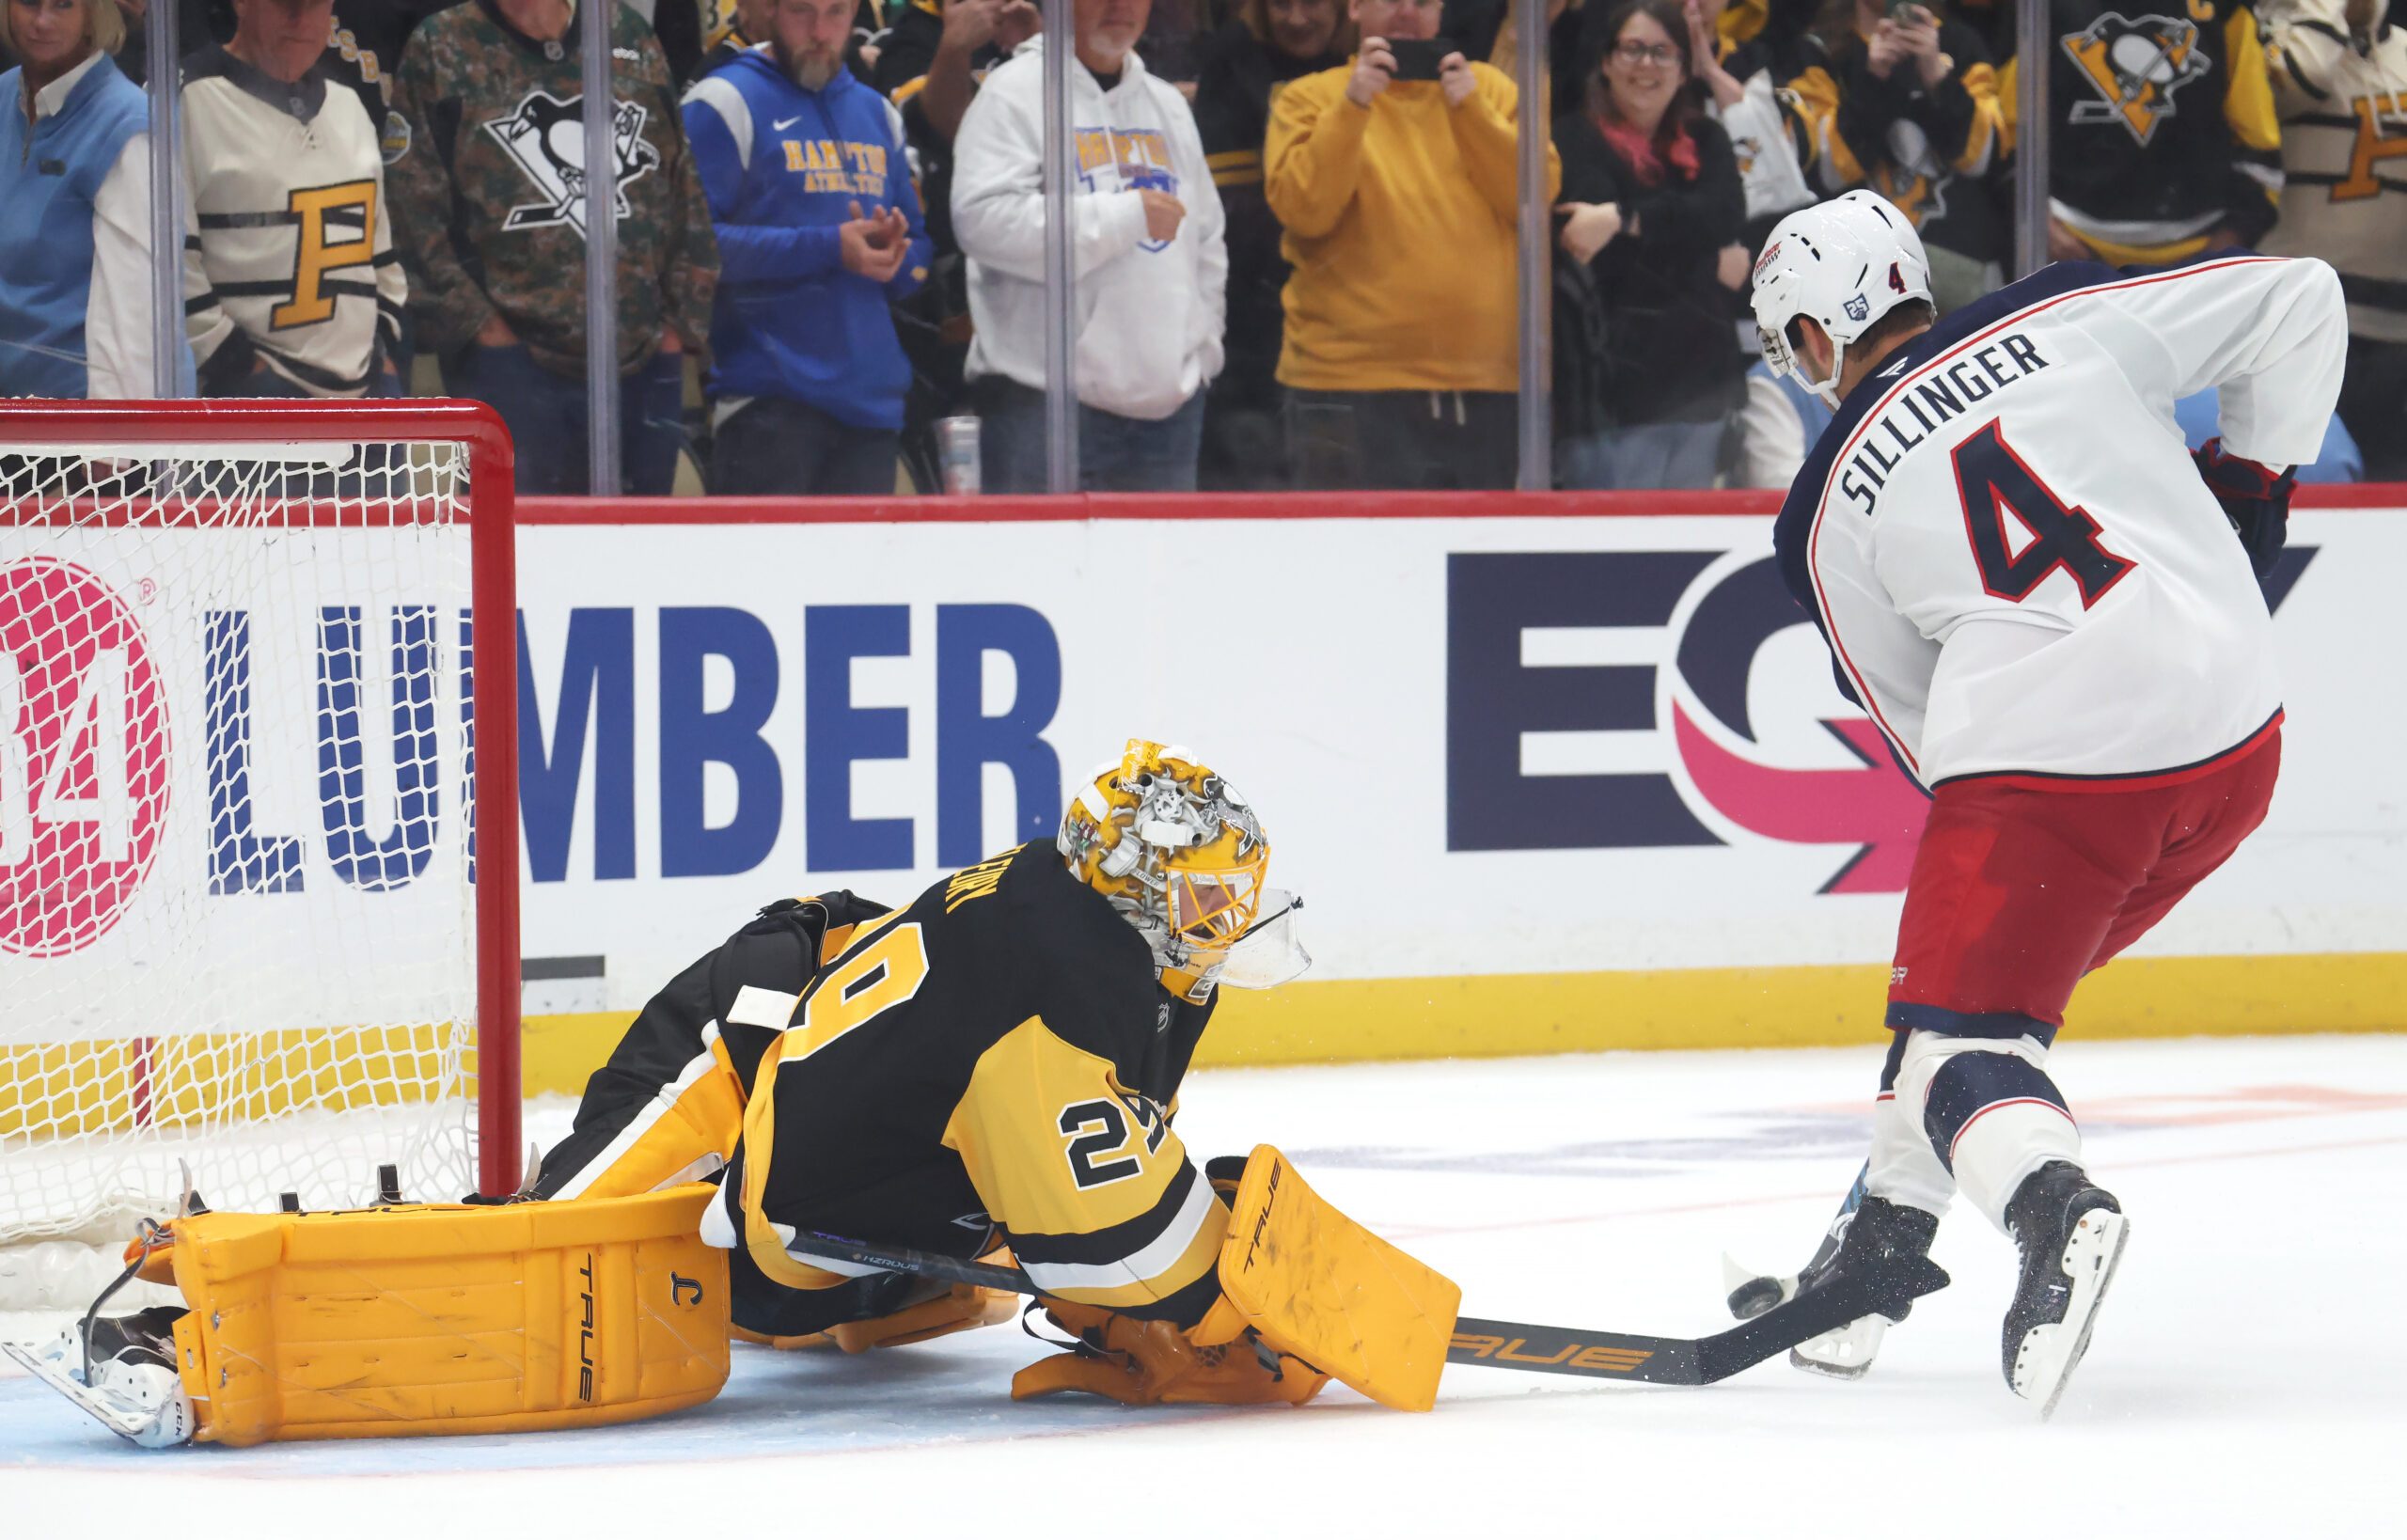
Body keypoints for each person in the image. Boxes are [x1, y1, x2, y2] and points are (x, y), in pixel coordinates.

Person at [1743, 190, 2344, 1408]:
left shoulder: (1819, 513)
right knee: (1966, 1025)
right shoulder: (2063, 312)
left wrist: (2002, 844)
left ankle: (2050, 1203)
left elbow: (1923, 726)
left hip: (2053, 765)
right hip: (2238, 740)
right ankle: (1876, 1254)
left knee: (1961, 1039)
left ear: (1814, 339)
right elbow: (2303, 299)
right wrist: (2258, 489)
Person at [534, 741, 1323, 1397]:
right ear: (1134, 896)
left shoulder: (1111, 972)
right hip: (749, 1032)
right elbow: (1107, 1223)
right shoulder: (1052, 982)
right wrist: (1213, 1294)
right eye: (1209, 901)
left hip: (830, 1136)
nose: (1228, 927)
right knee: (546, 1253)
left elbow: (1097, 1171)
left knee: (769, 1289)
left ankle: (839, 1281)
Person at [385, 0, 718, 494]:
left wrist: (675, 332)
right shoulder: (443, 46)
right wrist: (485, 335)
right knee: (519, 557)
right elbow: (412, 219)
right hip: (509, 370)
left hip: (643, 362)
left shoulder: (624, 34)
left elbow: (682, 186)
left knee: (638, 556)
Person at [1266, 0, 1559, 490]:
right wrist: (1353, 105)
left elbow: (1534, 197)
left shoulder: (1492, 90)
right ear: (1355, 7)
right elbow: (1305, 211)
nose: (1407, 14)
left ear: (1441, 12)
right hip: (1343, 383)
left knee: (1478, 561)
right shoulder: (1307, 98)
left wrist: (1473, 112)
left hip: (1485, 385)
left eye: (1423, 2)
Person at [952, 0, 1227, 492]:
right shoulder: (1014, 93)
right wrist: (1125, 217)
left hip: (1171, 413)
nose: (1120, 6)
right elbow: (981, 220)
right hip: (1047, 411)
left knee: (1160, 571)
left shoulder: (1167, 105)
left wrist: (1201, 351)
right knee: (1042, 570)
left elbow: (1206, 239)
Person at [684, 0, 933, 493]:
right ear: (769, 10)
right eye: (802, 11)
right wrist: (828, 248)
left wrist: (896, 256)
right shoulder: (722, 101)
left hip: (872, 407)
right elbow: (693, 248)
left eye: (836, 13)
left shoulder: (877, 112)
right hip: (768, 403)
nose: (820, 31)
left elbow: (921, 248)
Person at [1553, 0, 1746, 489]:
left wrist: (1623, 218)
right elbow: (1599, 251)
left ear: (1683, 70)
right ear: (1606, 61)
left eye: (1662, 52)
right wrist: (1707, 257)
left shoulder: (1707, 138)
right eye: (1633, 50)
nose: (1646, 65)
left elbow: (1725, 215)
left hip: (1701, 388)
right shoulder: (1572, 139)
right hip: (1610, 394)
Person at [175, 0, 406, 397]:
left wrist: (386, 347)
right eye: (285, 4)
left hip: (370, 395)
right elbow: (168, 264)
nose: (299, 20)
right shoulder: (182, 102)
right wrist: (240, 368)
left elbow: (380, 254)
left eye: (313, 5)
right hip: (248, 407)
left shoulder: (347, 105)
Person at [1190, 0, 1350, 489]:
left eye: (1314, 4)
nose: (1297, 19)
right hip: (1254, 323)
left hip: (1352, 321)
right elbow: (1227, 208)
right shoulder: (1232, 58)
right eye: (1281, 4)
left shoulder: (1377, 63)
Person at [1999, 0, 2283, 267]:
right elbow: (2006, 134)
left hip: (2199, 247)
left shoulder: (2225, 9)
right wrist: (2036, 222)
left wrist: (2230, 241)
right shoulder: (2038, 7)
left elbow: (2258, 143)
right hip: (2070, 244)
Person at [0, 0, 178, 399]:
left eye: (63, 4)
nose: (43, 21)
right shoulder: (2, 96)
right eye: (30, 2)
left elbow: (137, 305)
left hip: (86, 424)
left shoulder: (129, 125)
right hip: (12, 408)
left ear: (92, 15)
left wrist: (113, 440)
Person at [2258, 0, 2406, 480]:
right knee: (2291, 480)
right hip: (2290, 327)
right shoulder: (2271, 39)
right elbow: (2303, 80)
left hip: (2394, 331)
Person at [1784, 0, 2007, 310]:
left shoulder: (1960, 41)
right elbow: (1830, 169)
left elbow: (1980, 158)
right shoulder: (1819, 50)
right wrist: (1874, 78)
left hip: (1963, 265)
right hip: (1858, 274)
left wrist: (1936, 77)